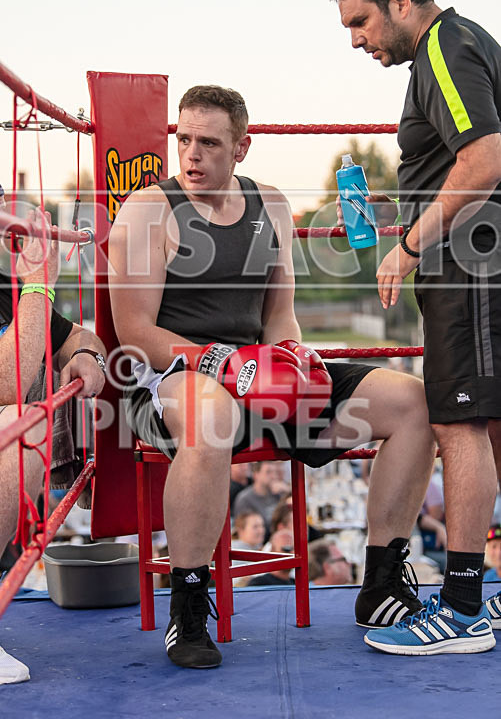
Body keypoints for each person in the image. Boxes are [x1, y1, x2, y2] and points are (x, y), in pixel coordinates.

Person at [108, 84, 436, 670]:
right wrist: (221, 363)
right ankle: (188, 607)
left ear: (242, 147)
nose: (191, 154)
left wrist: (289, 359)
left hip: (256, 373)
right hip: (172, 377)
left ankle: (382, 581)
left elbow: (279, 311)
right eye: (182, 139)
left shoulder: (273, 205)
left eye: (209, 142)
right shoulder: (149, 209)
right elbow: (136, 332)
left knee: (410, 400)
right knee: (211, 415)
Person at [332, 0, 501, 655]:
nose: (358, 40)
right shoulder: (469, 42)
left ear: (401, 1)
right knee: (488, 428)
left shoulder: (440, 48)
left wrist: (408, 244)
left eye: (361, 21)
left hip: (471, 270)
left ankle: (463, 608)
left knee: (459, 427)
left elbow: (485, 158)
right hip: (474, 263)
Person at [0, 163, 106, 684]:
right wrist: (39, 286)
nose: (8, 231)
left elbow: (79, 337)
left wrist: (87, 357)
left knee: (23, 427)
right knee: (22, 426)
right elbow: (2, 384)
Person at [232, 461, 289, 535]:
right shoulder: (245, 499)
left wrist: (287, 492)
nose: (273, 476)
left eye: (274, 472)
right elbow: (245, 531)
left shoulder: (278, 494)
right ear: (256, 475)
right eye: (268, 472)